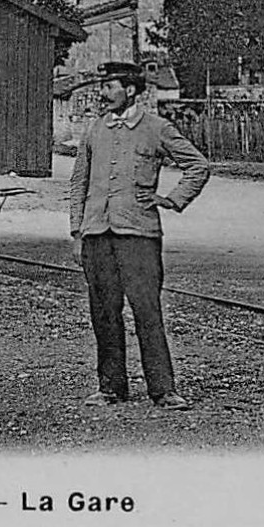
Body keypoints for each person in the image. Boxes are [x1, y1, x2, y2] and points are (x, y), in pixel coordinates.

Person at [67, 62, 210, 410]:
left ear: (130, 90)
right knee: (103, 313)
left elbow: (198, 166)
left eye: (110, 86)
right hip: (97, 235)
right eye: (103, 86)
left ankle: (163, 389)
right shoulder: (94, 130)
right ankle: (111, 388)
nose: (103, 93)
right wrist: (77, 231)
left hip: (139, 236)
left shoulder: (157, 128)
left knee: (147, 311)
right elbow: (78, 184)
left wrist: (171, 200)